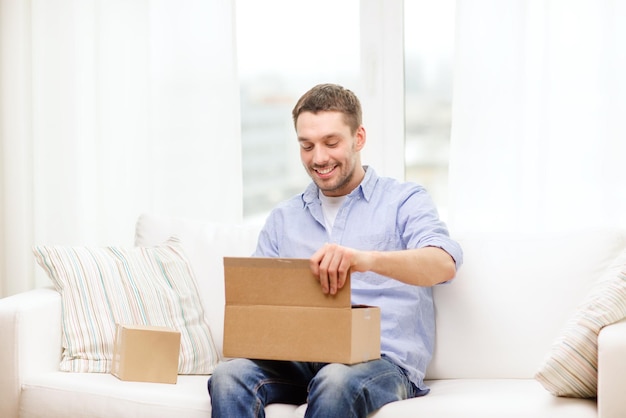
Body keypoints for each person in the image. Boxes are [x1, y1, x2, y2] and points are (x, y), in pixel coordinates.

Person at [208, 83, 463, 418]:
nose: (319, 158)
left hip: (379, 362)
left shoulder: (403, 200)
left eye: (331, 143)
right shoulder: (284, 219)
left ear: (358, 138)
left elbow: (443, 263)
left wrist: (364, 259)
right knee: (227, 376)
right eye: (307, 146)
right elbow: (259, 309)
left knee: (335, 379)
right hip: (299, 359)